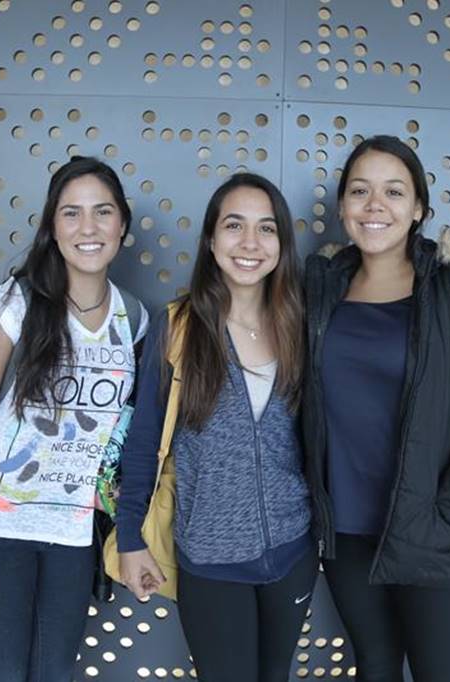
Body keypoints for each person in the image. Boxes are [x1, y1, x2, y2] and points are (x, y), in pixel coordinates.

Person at [302, 135, 450, 681]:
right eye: (360, 191)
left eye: (394, 191)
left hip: (433, 534)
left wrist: (449, 518)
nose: (375, 205)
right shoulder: (321, 288)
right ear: (342, 208)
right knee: (375, 668)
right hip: (349, 534)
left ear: (419, 209)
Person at [0, 156, 148, 681]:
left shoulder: (135, 319)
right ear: (52, 228)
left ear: (122, 224)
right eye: (71, 213)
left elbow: (121, 436)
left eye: (103, 212)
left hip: (72, 539)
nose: (89, 228)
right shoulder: (9, 306)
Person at [116, 173, 315, 682]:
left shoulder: (301, 324)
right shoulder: (179, 325)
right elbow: (144, 442)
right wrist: (130, 537)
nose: (250, 243)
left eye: (266, 228)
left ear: (281, 244)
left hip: (293, 549)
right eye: (234, 226)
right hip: (210, 557)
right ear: (210, 239)